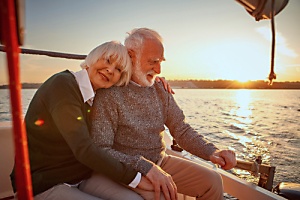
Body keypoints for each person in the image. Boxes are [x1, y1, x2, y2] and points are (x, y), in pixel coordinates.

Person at [10, 41, 172, 200]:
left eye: (118, 69)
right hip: (41, 182)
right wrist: (136, 178)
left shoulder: (97, 97)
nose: (110, 70)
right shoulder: (62, 85)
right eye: (107, 60)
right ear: (93, 58)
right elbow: (84, 148)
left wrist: (153, 80)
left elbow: (135, 84)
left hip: (81, 176)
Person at [91, 28, 237, 200]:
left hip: (160, 162)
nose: (159, 69)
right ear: (131, 56)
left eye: (161, 61)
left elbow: (180, 129)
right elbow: (101, 149)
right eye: (153, 62)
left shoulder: (160, 88)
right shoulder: (109, 93)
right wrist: (145, 167)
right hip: (125, 170)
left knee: (213, 181)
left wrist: (212, 152)